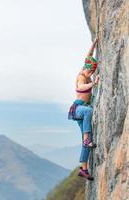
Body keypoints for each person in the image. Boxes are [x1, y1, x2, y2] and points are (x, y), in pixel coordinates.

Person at [68, 38, 100, 181]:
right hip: (78, 108)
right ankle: (87, 142)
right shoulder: (81, 76)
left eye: (92, 72)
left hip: (82, 109)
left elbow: (88, 56)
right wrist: (93, 84)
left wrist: (93, 44)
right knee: (88, 111)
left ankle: (83, 169)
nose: (90, 73)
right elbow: (80, 88)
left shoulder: (86, 72)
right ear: (86, 69)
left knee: (86, 140)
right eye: (90, 71)